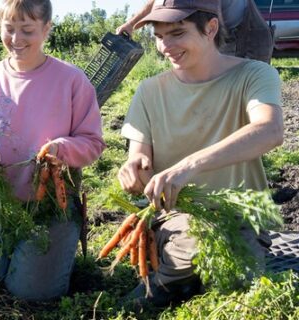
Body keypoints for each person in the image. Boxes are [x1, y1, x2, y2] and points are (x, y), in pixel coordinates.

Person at [117, 0, 283, 307]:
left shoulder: (253, 75)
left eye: (177, 33)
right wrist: (133, 169)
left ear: (211, 28)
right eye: (159, 35)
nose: (166, 46)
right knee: (197, 246)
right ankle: (168, 280)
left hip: (240, 212)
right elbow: (137, 156)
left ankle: (172, 280)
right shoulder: (150, 90)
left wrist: (188, 165)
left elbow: (270, 130)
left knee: (235, 276)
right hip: (176, 215)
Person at [0, 0, 105, 301]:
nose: (16, 40)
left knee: (32, 293)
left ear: (47, 29)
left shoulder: (71, 80)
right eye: (9, 29)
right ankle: (14, 251)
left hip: (51, 204)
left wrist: (62, 148)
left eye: (28, 30)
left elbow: (93, 143)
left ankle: (47, 253)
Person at [117, 0, 274, 63]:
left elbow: (213, 10)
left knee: (238, 100)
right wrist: (131, 24)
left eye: (177, 34)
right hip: (213, 32)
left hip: (245, 35)